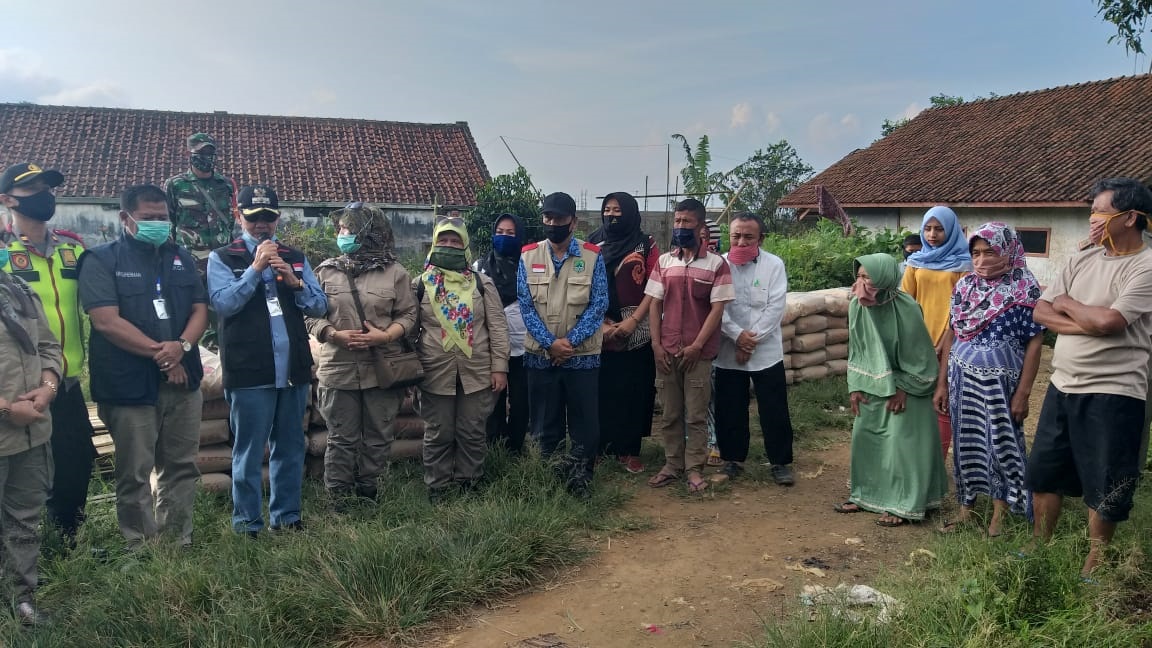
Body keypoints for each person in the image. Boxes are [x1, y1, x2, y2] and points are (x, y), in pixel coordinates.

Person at [1028, 178, 1152, 576]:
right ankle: (1037, 548)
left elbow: (1113, 320)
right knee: (1046, 472)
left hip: (1114, 390)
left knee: (1106, 481)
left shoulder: (1146, 266)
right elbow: (1041, 312)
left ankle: (1093, 567)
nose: (1093, 221)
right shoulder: (1082, 257)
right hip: (1063, 383)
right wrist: (1081, 317)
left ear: (1130, 217)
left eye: (1100, 213)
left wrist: (1067, 306)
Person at [77, 184, 207, 549]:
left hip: (184, 382)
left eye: (163, 218)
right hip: (130, 387)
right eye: (149, 218)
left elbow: (200, 310)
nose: (158, 224)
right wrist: (164, 354)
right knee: (134, 472)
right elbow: (105, 321)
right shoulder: (101, 260)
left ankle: (178, 540)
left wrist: (181, 347)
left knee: (181, 466)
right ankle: (141, 547)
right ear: (126, 218)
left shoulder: (180, 256)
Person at [207, 185, 327, 536]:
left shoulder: (295, 256)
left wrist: (294, 282)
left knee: (289, 448)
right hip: (249, 370)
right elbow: (224, 304)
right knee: (247, 452)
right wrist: (255, 268)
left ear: (278, 219)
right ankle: (247, 524)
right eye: (253, 218)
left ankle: (287, 519)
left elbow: (320, 306)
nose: (262, 225)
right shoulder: (223, 257)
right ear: (238, 217)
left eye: (268, 218)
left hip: (292, 370)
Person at [0, 163, 96, 543]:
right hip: (17, 387)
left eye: (48, 187)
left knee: (76, 461)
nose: (45, 194)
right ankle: (20, 547)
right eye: (33, 189)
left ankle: (66, 538)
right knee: (23, 471)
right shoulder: (3, 254)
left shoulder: (72, 248)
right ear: (7, 200)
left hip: (66, 380)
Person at [933, 223, 1044, 536]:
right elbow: (952, 334)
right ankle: (966, 507)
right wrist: (942, 384)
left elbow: (1034, 342)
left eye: (990, 251)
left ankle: (1001, 512)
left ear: (1007, 250)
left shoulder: (1025, 287)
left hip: (1001, 385)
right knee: (966, 443)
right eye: (976, 253)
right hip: (961, 378)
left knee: (1001, 445)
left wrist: (1023, 393)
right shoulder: (965, 286)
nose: (982, 260)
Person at [307, 203, 417, 507]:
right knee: (341, 438)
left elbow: (409, 315)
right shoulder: (326, 272)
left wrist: (386, 335)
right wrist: (332, 334)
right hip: (338, 370)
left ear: (369, 232)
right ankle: (338, 500)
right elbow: (308, 315)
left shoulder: (395, 273)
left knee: (379, 437)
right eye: (341, 228)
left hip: (381, 370)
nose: (342, 234)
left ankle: (369, 495)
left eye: (349, 229)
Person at [835, 253, 947, 526]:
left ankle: (904, 504)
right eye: (858, 277)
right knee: (866, 436)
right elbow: (858, 350)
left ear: (885, 278)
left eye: (868, 277)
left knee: (901, 444)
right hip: (872, 379)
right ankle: (865, 496)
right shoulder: (857, 307)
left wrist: (903, 387)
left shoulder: (906, 307)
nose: (861, 284)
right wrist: (857, 386)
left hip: (910, 384)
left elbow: (921, 357)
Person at [517, 192, 608, 497]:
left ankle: (579, 478)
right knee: (544, 420)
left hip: (581, 356)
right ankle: (548, 475)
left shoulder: (593, 256)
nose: (552, 224)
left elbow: (599, 305)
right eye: (548, 218)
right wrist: (549, 344)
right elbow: (526, 305)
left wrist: (568, 342)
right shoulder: (528, 255)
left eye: (559, 219)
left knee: (584, 422)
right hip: (541, 357)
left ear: (573, 222)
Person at [416, 217, 509, 502]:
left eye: (455, 241)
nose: (448, 245)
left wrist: (500, 368)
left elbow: (497, 327)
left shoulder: (482, 283)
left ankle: (470, 481)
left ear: (465, 244)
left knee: (471, 430)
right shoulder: (419, 284)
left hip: (476, 370)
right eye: (443, 240)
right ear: (434, 243)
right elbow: (409, 328)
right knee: (438, 431)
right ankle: (438, 485)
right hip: (435, 371)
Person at [645, 199, 734, 493]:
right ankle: (672, 465)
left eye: (687, 222)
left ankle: (694, 468)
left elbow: (717, 309)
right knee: (670, 414)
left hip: (699, 355)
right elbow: (655, 304)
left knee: (695, 415)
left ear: (700, 226)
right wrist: (656, 346)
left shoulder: (716, 264)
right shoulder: (664, 262)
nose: (680, 227)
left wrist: (697, 345)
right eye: (678, 221)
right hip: (667, 351)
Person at [0, 259, 61, 625]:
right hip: (10, 421)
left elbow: (48, 346)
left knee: (24, 520)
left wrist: (48, 389)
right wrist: (7, 409)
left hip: (31, 431)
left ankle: (22, 600)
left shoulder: (18, 290)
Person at [714, 213, 795, 485]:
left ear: (761, 238)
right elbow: (717, 308)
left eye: (748, 236)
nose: (741, 241)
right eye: (736, 235)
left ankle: (780, 462)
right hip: (728, 349)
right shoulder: (720, 265)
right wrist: (738, 337)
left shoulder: (774, 265)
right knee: (730, 407)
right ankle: (732, 460)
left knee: (774, 409)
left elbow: (775, 308)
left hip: (766, 351)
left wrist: (751, 341)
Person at [587, 192, 658, 473]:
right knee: (602, 390)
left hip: (636, 329)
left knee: (634, 389)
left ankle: (629, 450)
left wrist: (633, 321)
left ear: (630, 212)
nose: (612, 214)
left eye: (618, 209)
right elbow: (582, 285)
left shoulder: (646, 243)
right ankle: (603, 447)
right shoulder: (592, 243)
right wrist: (602, 323)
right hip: (599, 327)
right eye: (608, 209)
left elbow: (656, 284)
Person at [902, 206, 971, 457]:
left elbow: (961, 309)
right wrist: (910, 338)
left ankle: (936, 463)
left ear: (951, 230)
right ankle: (914, 458)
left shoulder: (963, 265)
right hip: (918, 340)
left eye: (939, 229)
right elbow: (906, 302)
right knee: (913, 399)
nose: (932, 234)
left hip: (950, 341)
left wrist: (944, 340)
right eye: (928, 229)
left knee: (941, 403)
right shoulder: (915, 262)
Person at [475, 213, 529, 456]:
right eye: (500, 232)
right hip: (491, 348)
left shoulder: (529, 266)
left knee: (520, 402)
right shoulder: (479, 267)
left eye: (510, 233)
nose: (504, 237)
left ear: (519, 236)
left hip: (523, 347)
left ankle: (516, 448)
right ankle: (494, 446)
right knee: (492, 401)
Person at [165, 133, 238, 263]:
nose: (207, 157)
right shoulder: (175, 185)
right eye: (201, 152)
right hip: (189, 258)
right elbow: (169, 222)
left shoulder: (226, 184)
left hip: (222, 257)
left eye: (210, 152)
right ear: (188, 154)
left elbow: (231, 220)